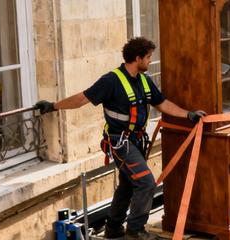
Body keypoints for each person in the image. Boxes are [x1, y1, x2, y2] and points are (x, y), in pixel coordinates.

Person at [35, 37, 206, 240]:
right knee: (146, 182)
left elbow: (162, 104)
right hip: (120, 143)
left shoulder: (144, 80)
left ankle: (114, 227)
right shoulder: (111, 81)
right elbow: (81, 99)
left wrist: (188, 114)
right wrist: (53, 106)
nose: (151, 61)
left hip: (136, 142)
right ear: (137, 57)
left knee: (127, 184)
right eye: (149, 57)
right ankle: (135, 230)